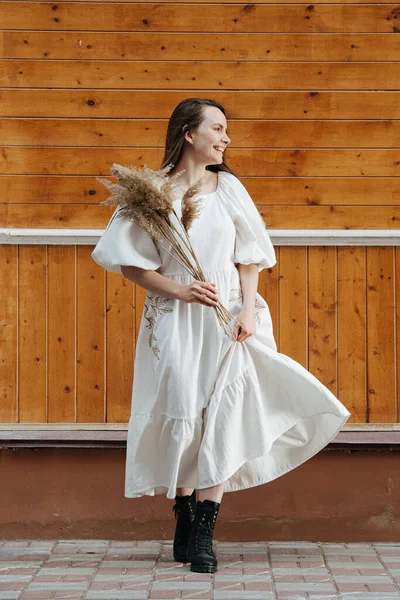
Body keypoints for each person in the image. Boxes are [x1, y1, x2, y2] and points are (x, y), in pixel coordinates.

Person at [91, 97, 350, 574]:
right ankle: (184, 518)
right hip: (175, 320)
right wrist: (182, 291)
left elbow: (249, 257)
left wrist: (248, 311)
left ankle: (206, 532)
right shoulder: (153, 193)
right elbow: (130, 264)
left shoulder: (228, 188)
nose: (226, 138)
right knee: (185, 410)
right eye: (218, 128)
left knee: (224, 415)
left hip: (229, 318)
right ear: (190, 134)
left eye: (226, 130)